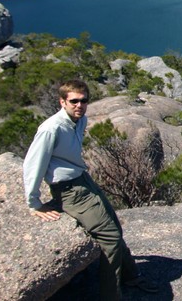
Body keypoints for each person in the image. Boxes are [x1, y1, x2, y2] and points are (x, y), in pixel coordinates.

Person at [23, 79, 158, 300]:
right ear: (62, 102)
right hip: (69, 190)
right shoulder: (50, 128)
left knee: (114, 225)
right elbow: (33, 164)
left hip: (84, 180)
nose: (79, 105)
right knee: (110, 237)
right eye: (74, 101)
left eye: (83, 101)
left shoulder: (80, 120)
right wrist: (34, 203)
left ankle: (131, 276)